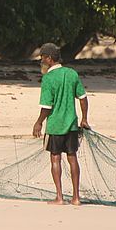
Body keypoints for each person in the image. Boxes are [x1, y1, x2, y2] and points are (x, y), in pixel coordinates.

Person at [31, 42, 90, 205]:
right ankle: (76, 198)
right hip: (71, 124)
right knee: (72, 158)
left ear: (49, 59)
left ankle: (59, 197)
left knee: (55, 158)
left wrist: (38, 123)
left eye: (42, 58)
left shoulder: (48, 78)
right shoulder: (71, 74)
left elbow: (46, 107)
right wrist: (84, 119)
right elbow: (83, 98)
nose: (41, 61)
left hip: (56, 126)